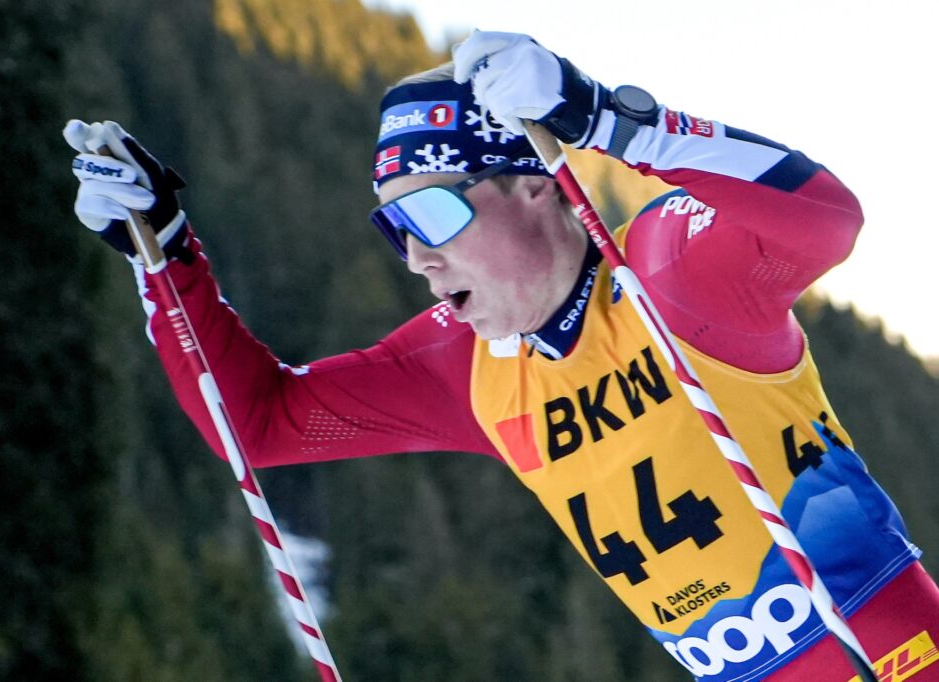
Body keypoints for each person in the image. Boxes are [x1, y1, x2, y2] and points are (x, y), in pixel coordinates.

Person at [64, 30, 939, 682]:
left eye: (433, 214)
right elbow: (256, 426)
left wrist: (604, 117)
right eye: (396, 227)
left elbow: (826, 221)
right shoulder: (462, 366)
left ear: (533, 187)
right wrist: (166, 255)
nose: (417, 257)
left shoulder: (667, 271)